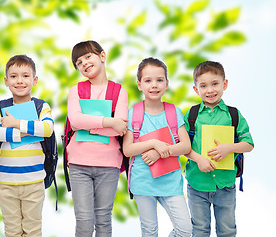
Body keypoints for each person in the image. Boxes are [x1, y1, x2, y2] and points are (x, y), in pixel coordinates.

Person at [122, 57, 192, 237]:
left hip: (171, 182)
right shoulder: (133, 113)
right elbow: (128, 150)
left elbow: (185, 146)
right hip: (142, 182)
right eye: (148, 80)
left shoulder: (173, 112)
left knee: (185, 230)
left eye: (159, 80)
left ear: (167, 83)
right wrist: (153, 144)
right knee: (149, 230)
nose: (154, 85)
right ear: (139, 84)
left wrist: (158, 153)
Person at [184, 61, 254, 237]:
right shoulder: (191, 116)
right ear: (195, 89)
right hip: (197, 184)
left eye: (215, 84)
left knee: (227, 230)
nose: (210, 90)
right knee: (199, 230)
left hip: (226, 184)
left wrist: (229, 148)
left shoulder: (233, 115)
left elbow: (249, 144)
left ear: (225, 84)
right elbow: (183, 147)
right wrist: (199, 159)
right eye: (203, 86)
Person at [66, 40, 128, 237]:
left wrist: (87, 126)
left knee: (103, 220)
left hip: (108, 165)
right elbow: (75, 120)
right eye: (78, 62)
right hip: (78, 164)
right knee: (84, 222)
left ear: (102, 56)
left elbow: (120, 129)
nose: (83, 63)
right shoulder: (76, 90)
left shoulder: (119, 92)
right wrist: (109, 122)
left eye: (87, 57)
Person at [0, 55, 53, 237]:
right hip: (5, 181)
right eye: (14, 76)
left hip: (34, 180)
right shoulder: (0, 107)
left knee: (32, 229)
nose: (19, 81)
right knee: (11, 229)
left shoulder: (41, 106)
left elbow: (47, 129)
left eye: (25, 76)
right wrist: (29, 131)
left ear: (34, 80)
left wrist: (15, 123)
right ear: (6, 81)